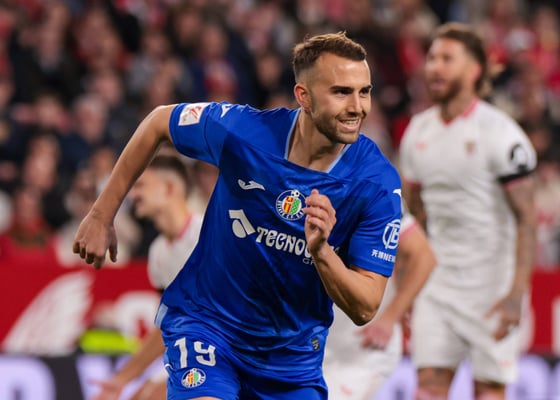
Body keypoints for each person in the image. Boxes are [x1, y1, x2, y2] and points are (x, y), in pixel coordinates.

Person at [73, 31, 402, 399]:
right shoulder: (245, 133)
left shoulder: (376, 184)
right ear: (304, 96)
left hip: (290, 361)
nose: (358, 107)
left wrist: (322, 251)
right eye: (341, 92)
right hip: (210, 329)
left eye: (364, 92)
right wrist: (101, 214)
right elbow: (158, 122)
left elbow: (366, 306)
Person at [399, 22, 537, 399]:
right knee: (427, 388)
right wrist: (406, 287)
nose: (434, 67)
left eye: (447, 58)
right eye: (431, 58)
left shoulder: (501, 133)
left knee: (489, 391)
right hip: (437, 285)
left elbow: (527, 218)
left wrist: (516, 293)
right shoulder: (417, 132)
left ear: (474, 69)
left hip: (492, 287)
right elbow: (414, 217)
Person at [91, 154, 204, 400]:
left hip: (232, 354)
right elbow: (167, 326)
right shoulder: (158, 253)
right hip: (192, 353)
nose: (134, 195)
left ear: (169, 188)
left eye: (141, 185)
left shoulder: (206, 237)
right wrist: (121, 379)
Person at [323, 204, 436, 399]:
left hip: (359, 351)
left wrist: (389, 318)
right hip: (314, 344)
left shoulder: (378, 193)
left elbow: (424, 256)